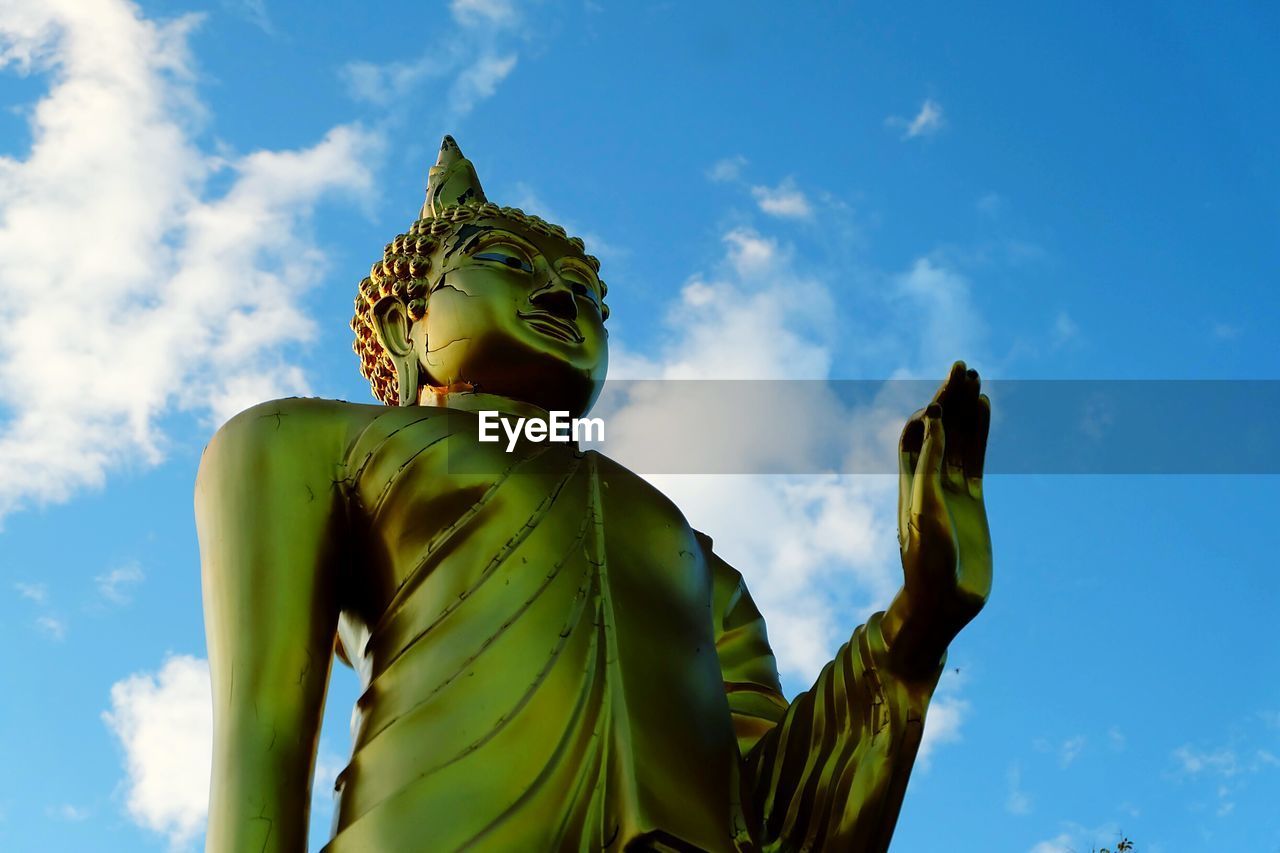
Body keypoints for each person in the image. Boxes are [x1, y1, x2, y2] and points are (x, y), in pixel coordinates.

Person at [198, 136, 992, 853]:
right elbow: (261, 734)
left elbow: (770, 807)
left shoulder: (680, 544)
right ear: (408, 322)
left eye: (583, 291)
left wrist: (919, 621)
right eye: (511, 266)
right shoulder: (307, 442)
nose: (561, 298)